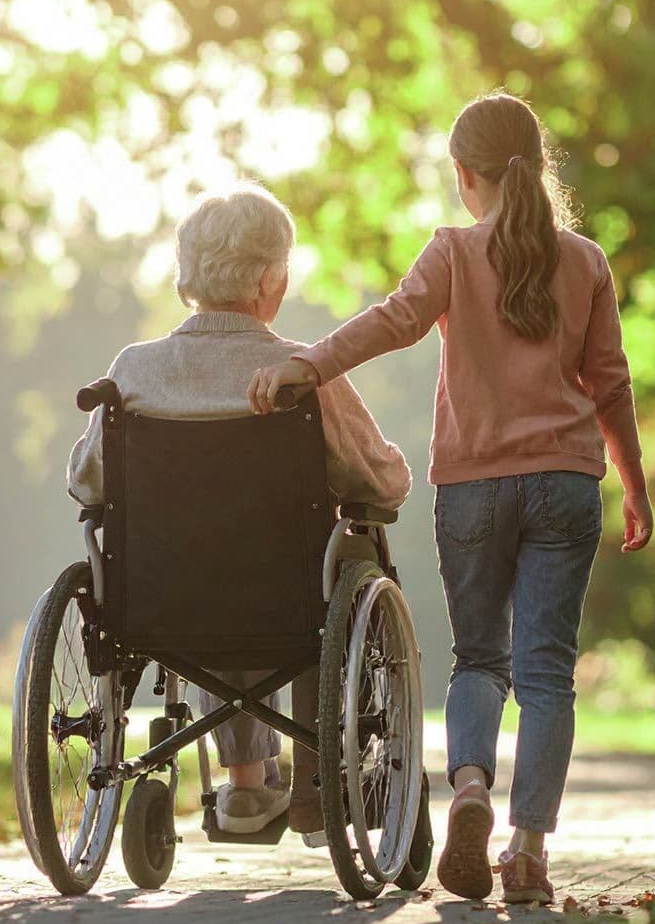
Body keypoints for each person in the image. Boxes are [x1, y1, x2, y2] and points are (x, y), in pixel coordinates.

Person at [249, 92, 653, 902]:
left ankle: (470, 788)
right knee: (547, 676)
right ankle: (529, 852)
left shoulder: (453, 255)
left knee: (479, 660)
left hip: (472, 489)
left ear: (466, 178)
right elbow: (610, 386)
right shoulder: (586, 262)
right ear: (536, 169)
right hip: (566, 486)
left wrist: (309, 365)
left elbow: (393, 321)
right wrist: (635, 487)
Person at [69, 183, 411, 836]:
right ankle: (320, 782)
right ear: (268, 282)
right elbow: (382, 482)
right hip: (288, 601)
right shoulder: (300, 372)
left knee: (207, 560)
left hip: (162, 599)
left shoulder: (134, 372)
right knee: (331, 563)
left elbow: (87, 484)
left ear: (188, 277)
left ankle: (247, 787)